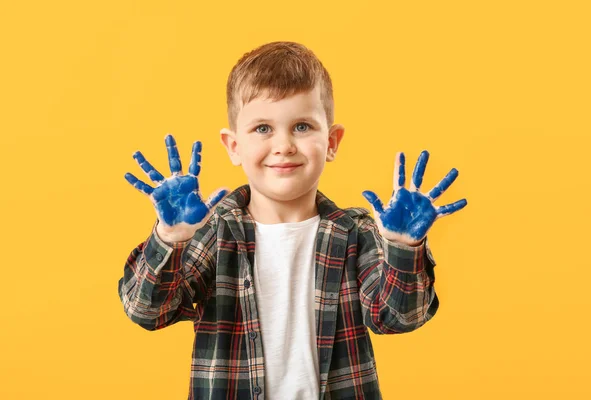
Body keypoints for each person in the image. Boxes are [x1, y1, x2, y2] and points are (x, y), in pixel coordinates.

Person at [118, 41, 467, 400]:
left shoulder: (358, 233)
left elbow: (399, 318)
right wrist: (170, 237)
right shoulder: (211, 231)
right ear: (233, 146)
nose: (284, 145)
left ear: (331, 141)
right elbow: (146, 310)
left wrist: (403, 247)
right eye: (263, 129)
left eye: (302, 126)